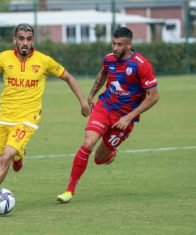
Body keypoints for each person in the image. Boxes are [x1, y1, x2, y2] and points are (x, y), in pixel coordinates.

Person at [0, 23, 90, 216]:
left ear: (33, 41)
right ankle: (20, 154)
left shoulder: (44, 60)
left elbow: (68, 77)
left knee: (5, 159)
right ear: (15, 40)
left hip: (28, 119)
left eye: (28, 39)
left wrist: (83, 102)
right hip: (3, 118)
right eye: (21, 38)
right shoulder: (4, 58)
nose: (25, 42)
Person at [56, 26, 159, 203]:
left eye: (120, 44)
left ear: (129, 45)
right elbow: (102, 74)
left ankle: (110, 154)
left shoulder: (141, 65)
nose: (115, 48)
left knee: (99, 159)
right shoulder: (109, 59)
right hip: (105, 107)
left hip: (125, 118)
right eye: (113, 43)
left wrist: (129, 117)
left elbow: (154, 96)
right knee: (88, 142)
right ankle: (69, 191)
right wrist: (90, 96)